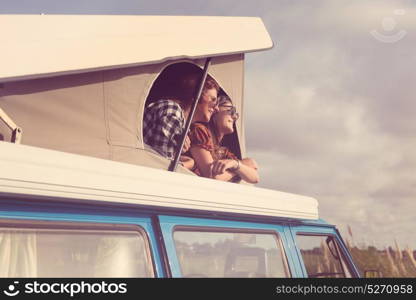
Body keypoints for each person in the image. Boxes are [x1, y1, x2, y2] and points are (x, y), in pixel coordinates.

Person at [143, 67, 220, 170]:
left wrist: (190, 162)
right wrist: (179, 136)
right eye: (213, 100)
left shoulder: (183, 123)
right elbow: (162, 165)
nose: (217, 108)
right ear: (196, 96)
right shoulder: (172, 109)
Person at [188, 94, 259, 183]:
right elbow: (212, 176)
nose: (234, 117)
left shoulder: (223, 152)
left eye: (235, 113)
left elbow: (255, 178)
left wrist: (236, 164)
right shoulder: (199, 130)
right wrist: (238, 168)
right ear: (215, 110)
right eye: (231, 110)